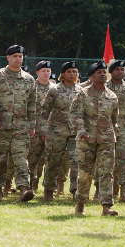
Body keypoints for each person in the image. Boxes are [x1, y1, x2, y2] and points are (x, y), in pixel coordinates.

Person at [0, 45, 37, 202]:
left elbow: (32, 104)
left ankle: (23, 189)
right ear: (8, 58)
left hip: (21, 127)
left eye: (20, 56)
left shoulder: (28, 79)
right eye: (15, 56)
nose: (18, 59)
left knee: (21, 160)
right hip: (1, 127)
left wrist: (32, 125)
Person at [71, 61, 120, 217]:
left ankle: (106, 206)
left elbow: (114, 118)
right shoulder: (82, 94)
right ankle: (80, 204)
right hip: (87, 139)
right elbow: (75, 114)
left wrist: (113, 133)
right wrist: (81, 130)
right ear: (91, 76)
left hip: (106, 139)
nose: (103, 74)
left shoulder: (112, 96)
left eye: (104, 72)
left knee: (107, 173)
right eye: (99, 72)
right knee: (85, 173)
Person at [40, 61, 82, 201]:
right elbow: (44, 112)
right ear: (63, 74)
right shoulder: (54, 90)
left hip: (75, 133)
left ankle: (75, 190)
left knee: (76, 161)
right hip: (56, 132)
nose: (72, 74)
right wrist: (43, 130)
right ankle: (49, 191)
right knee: (53, 161)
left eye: (75, 71)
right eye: (69, 71)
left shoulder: (81, 91)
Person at [106, 60, 125, 204]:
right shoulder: (104, 87)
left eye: (122, 69)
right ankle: (106, 192)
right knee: (106, 162)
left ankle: (124, 192)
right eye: (117, 69)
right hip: (106, 130)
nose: (120, 72)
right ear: (111, 72)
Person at [29, 60, 54, 191]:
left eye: (48, 71)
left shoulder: (54, 88)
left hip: (51, 131)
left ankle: (47, 187)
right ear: (37, 72)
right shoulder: (32, 86)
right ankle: (31, 184)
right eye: (43, 71)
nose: (46, 73)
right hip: (35, 130)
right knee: (32, 158)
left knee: (47, 160)